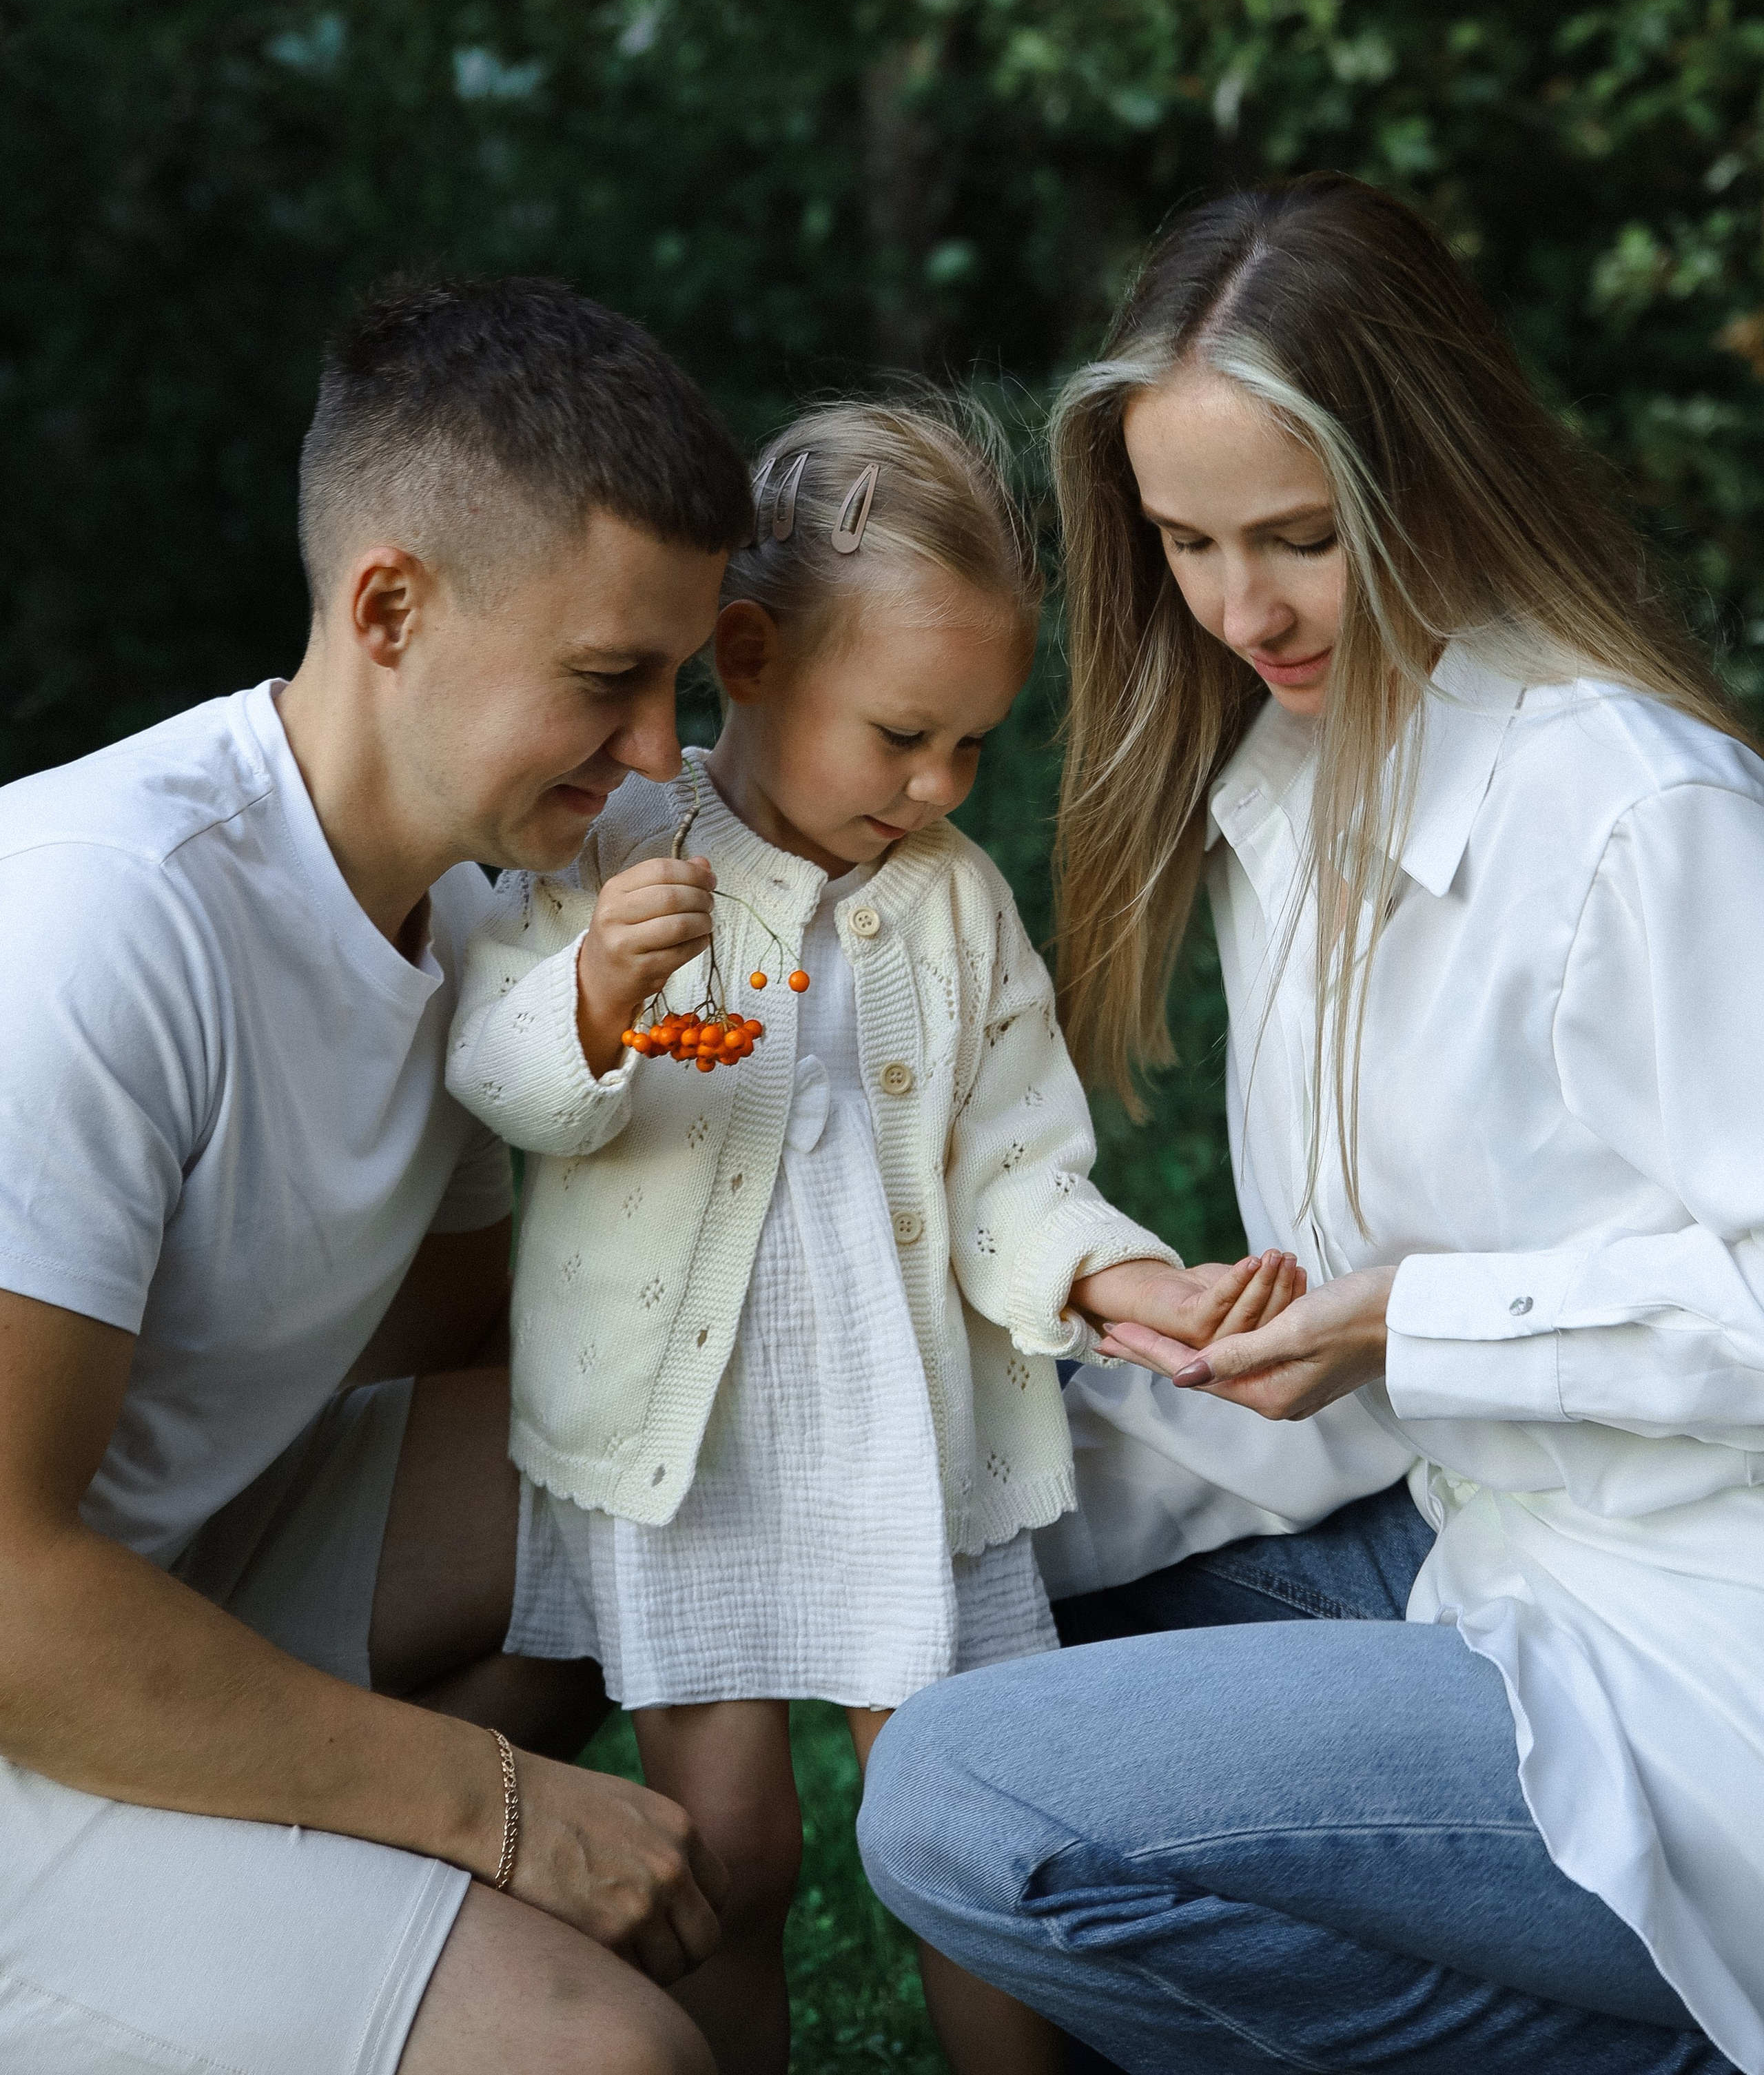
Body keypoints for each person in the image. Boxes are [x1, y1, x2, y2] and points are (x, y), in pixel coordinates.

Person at [857, 176, 1764, 2075]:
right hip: (1471, 1551)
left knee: (960, 1791)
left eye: (1297, 536)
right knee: (950, 1595)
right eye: (1185, 541)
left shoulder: (1637, 814)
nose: (1239, 608)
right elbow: (1348, 1372)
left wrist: (1408, 1321)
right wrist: (956, 1490)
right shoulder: (1281, 786)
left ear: (1430, 480)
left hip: (1693, 1661)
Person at [444, 399, 1302, 2075]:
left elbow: (1011, 1156)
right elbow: (506, 1081)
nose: (938, 786)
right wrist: (598, 997)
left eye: (972, 746)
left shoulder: (954, 902)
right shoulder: (616, 852)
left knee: (966, 1820)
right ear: (747, 657)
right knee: (731, 1846)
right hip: (693, 1437)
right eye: (903, 734)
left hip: (911, 1415)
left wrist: (1111, 1270)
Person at [0, 276, 755, 2075]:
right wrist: (492, 1803)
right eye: (607, 680)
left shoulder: (482, 901)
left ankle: (319, 1918)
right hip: (27, 1648)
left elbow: (442, 1341)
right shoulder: (100, 927)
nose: (658, 750)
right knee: (612, 2059)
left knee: (687, 1459)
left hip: (169, 1564)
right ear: (390, 607)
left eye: (679, 681)